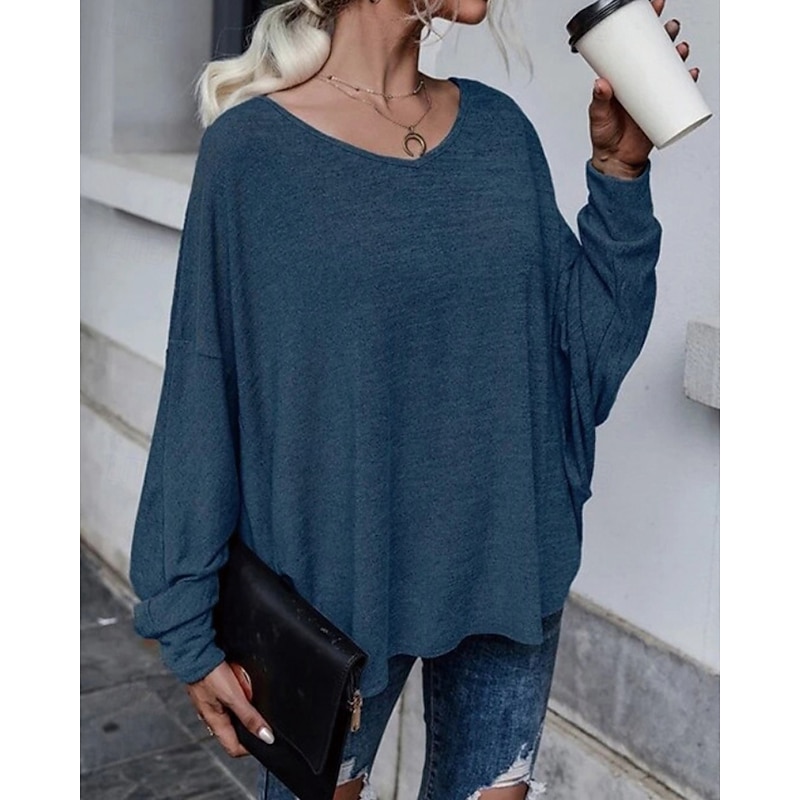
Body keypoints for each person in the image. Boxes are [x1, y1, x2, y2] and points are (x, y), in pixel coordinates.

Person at [128, 1, 700, 798]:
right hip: (332, 592)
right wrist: (186, 624)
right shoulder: (250, 154)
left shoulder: (500, 133)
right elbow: (203, 385)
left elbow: (589, 360)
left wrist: (620, 173)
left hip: (506, 567)